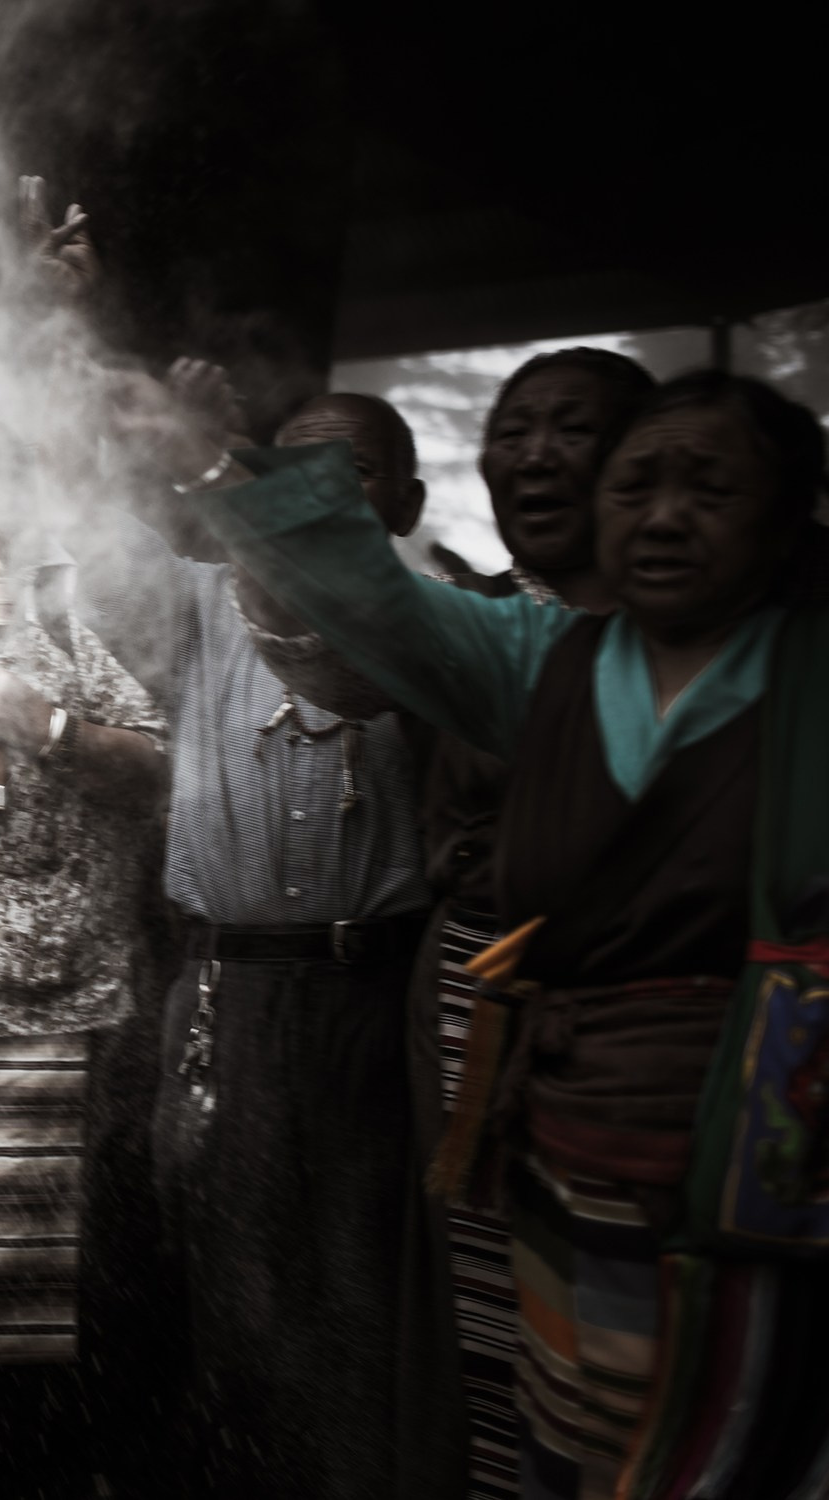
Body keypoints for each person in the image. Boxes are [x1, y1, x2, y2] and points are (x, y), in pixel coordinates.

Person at [180, 369, 829, 1500]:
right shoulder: (540, 658)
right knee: (561, 1419)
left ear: (783, 523)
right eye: (637, 485)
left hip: (762, 1161)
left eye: (707, 488)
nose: (662, 515)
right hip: (564, 1142)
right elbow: (361, 595)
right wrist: (220, 455)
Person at [71, 366, 437, 1500]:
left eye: (354, 470)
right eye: (294, 468)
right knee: (230, 1284)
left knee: (366, 1286)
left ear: (406, 509)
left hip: (372, 1000)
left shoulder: (439, 621)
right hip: (226, 1000)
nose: (319, 488)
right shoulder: (190, 602)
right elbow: (96, 537)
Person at [0, 425, 166, 1495]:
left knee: (22, 1296)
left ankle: (24, 1468)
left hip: (48, 1012)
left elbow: (157, 771)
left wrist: (48, 725)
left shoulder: (63, 622)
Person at [411, 348, 655, 1500]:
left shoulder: (729, 645)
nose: (532, 454)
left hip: (650, 1055)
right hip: (472, 1010)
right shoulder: (478, 624)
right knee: (490, 1311)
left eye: (571, 428)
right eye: (511, 429)